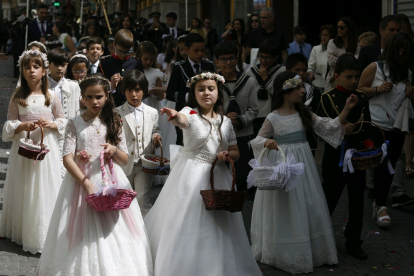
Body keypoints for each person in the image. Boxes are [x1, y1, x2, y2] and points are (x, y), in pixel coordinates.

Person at [144, 72, 262, 276]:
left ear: (218, 92)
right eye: (201, 89)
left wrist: (228, 155)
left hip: (218, 175)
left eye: (211, 88)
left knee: (219, 224)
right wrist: (174, 115)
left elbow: (235, 150)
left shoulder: (226, 122)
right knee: (184, 221)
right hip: (190, 176)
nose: (206, 93)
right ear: (193, 93)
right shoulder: (189, 113)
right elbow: (182, 120)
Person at [36, 74, 153, 275]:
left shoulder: (114, 119)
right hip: (81, 182)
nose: (94, 101)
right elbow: (67, 158)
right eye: (89, 97)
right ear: (82, 97)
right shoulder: (74, 122)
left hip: (110, 180)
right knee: (80, 230)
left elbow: (125, 160)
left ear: (107, 95)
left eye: (98, 96)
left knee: (113, 232)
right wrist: (87, 183)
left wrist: (113, 150)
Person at [250, 71, 359, 274]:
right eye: (299, 88)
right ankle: (282, 250)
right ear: (286, 91)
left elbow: (330, 126)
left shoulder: (305, 113)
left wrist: (346, 109)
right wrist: (267, 141)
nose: (303, 91)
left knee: (306, 202)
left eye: (303, 87)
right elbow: (256, 140)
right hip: (283, 164)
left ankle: (311, 249)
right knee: (285, 204)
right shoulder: (273, 117)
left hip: (302, 165)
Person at [0, 49, 66, 253]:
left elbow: (63, 121)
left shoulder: (51, 96)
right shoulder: (18, 96)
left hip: (46, 149)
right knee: (26, 187)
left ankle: (46, 230)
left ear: (44, 71)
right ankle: (23, 229)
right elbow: (9, 125)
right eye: (27, 67)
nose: (31, 71)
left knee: (45, 186)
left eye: (36, 67)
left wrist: (51, 124)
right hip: (24, 149)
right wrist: (22, 127)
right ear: (22, 71)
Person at [319, 54, 373, 260]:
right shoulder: (326, 98)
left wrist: (368, 142)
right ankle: (320, 237)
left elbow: (367, 125)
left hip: (358, 156)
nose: (353, 81)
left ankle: (353, 241)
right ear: (337, 76)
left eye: (356, 77)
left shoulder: (362, 98)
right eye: (348, 77)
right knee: (329, 198)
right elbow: (321, 129)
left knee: (357, 200)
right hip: (335, 157)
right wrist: (340, 128)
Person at [358, 32, 414, 225]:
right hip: (376, 124)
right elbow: (358, 89)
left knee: (388, 167)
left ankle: (380, 204)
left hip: (397, 127)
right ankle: (379, 204)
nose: (404, 57)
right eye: (401, 53)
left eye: (407, 54)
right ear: (392, 51)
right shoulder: (376, 67)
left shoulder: (407, 72)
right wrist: (376, 89)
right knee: (378, 164)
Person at [214, 41, 258, 193]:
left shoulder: (248, 82)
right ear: (217, 61)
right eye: (224, 59)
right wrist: (225, 119)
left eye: (231, 58)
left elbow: (254, 110)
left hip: (242, 136)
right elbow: (208, 109)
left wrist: (239, 120)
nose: (228, 63)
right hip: (220, 136)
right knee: (220, 177)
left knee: (241, 176)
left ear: (237, 58)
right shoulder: (213, 83)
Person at [117, 70, 161, 217]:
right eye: (130, 90)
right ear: (124, 91)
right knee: (123, 200)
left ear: (144, 91)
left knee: (143, 200)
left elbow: (156, 129)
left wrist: (156, 136)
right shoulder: (117, 113)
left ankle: (146, 234)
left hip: (144, 163)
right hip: (124, 163)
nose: (134, 95)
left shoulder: (152, 112)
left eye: (138, 90)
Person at [166, 33, 215, 145]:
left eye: (202, 50)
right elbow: (170, 93)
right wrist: (189, 96)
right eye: (196, 50)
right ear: (186, 50)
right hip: (185, 114)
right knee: (184, 145)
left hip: (205, 114)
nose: (200, 54)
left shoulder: (209, 65)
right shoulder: (179, 67)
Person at [47, 48, 81, 179]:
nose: (59, 68)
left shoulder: (73, 86)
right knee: (48, 169)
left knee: (63, 170)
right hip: (47, 132)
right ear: (48, 65)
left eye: (63, 65)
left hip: (67, 132)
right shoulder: (41, 85)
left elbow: (77, 110)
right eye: (55, 65)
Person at [245, 39, 286, 136]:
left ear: (275, 58)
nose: (263, 60)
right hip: (255, 116)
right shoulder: (250, 72)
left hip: (272, 115)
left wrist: (265, 78)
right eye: (261, 56)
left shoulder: (281, 71)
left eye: (267, 58)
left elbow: (279, 94)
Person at [284, 53, 322, 155]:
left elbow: (320, 116)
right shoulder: (282, 92)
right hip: (286, 143)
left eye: (304, 70)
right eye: (297, 70)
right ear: (288, 71)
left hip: (308, 142)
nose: (301, 73)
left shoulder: (314, 92)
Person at [99, 29, 144, 107]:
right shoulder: (104, 63)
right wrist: (111, 86)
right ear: (114, 44)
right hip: (111, 106)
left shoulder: (136, 64)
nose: (123, 55)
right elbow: (99, 88)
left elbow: (142, 87)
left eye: (127, 52)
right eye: (120, 51)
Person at [325, 17, 360, 91]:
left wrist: (339, 59)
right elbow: (331, 61)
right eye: (337, 27)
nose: (339, 30)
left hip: (351, 81)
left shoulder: (357, 45)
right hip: (334, 80)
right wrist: (350, 59)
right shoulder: (332, 43)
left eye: (342, 27)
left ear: (349, 28)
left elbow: (357, 61)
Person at [308, 25, 335, 91]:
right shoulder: (316, 49)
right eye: (322, 35)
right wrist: (310, 73)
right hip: (318, 84)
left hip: (332, 84)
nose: (323, 37)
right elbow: (310, 66)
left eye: (326, 35)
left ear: (331, 37)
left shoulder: (335, 50)